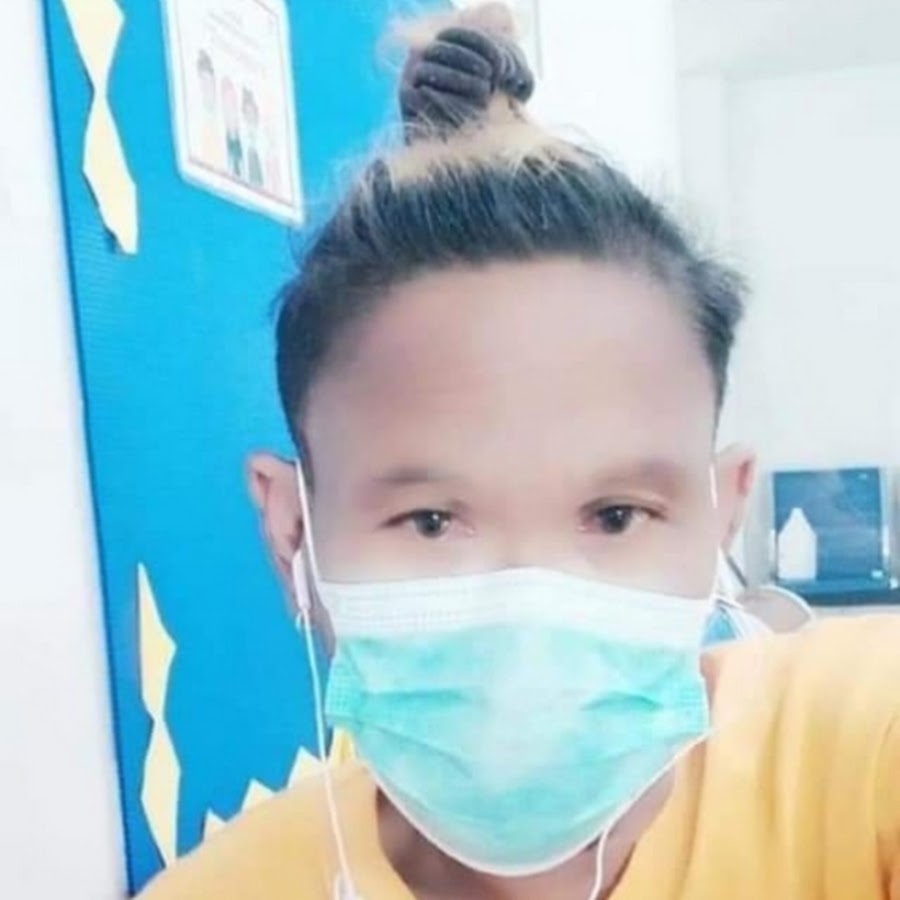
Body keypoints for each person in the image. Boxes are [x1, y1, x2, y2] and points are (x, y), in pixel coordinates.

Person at [140, 13, 900, 900]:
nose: (531, 610)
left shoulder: (858, 751)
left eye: (616, 516)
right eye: (431, 521)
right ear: (292, 531)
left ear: (722, 513)